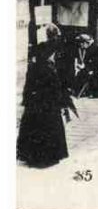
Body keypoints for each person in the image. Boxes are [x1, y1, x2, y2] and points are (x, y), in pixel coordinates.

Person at [17, 24, 71, 168]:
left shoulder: (38, 49)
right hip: (50, 96)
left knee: (34, 124)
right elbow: (63, 77)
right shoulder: (60, 50)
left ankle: (33, 156)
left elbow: (31, 74)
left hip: (37, 94)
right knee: (50, 124)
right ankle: (49, 156)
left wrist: (26, 96)